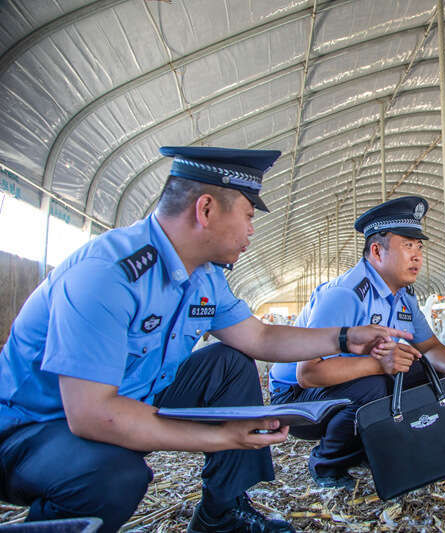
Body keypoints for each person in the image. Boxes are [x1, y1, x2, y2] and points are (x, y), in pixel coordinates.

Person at [0, 146, 416, 533]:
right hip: (35, 431)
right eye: (249, 215)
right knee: (113, 476)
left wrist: (345, 337)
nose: (252, 230)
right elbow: (91, 416)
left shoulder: (205, 276)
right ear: (206, 208)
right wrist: (221, 436)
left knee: (230, 363)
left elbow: (260, 337)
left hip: (136, 397)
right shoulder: (107, 275)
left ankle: (222, 513)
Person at [269, 196, 445, 489]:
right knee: (374, 385)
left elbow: (430, 347)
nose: (418, 255)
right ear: (376, 251)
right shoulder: (346, 294)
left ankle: (373, 447)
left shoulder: (404, 298)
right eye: (408, 245)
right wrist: (378, 364)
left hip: (339, 386)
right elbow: (307, 374)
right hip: (295, 401)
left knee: (424, 370)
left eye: (419, 247)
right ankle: (326, 464)